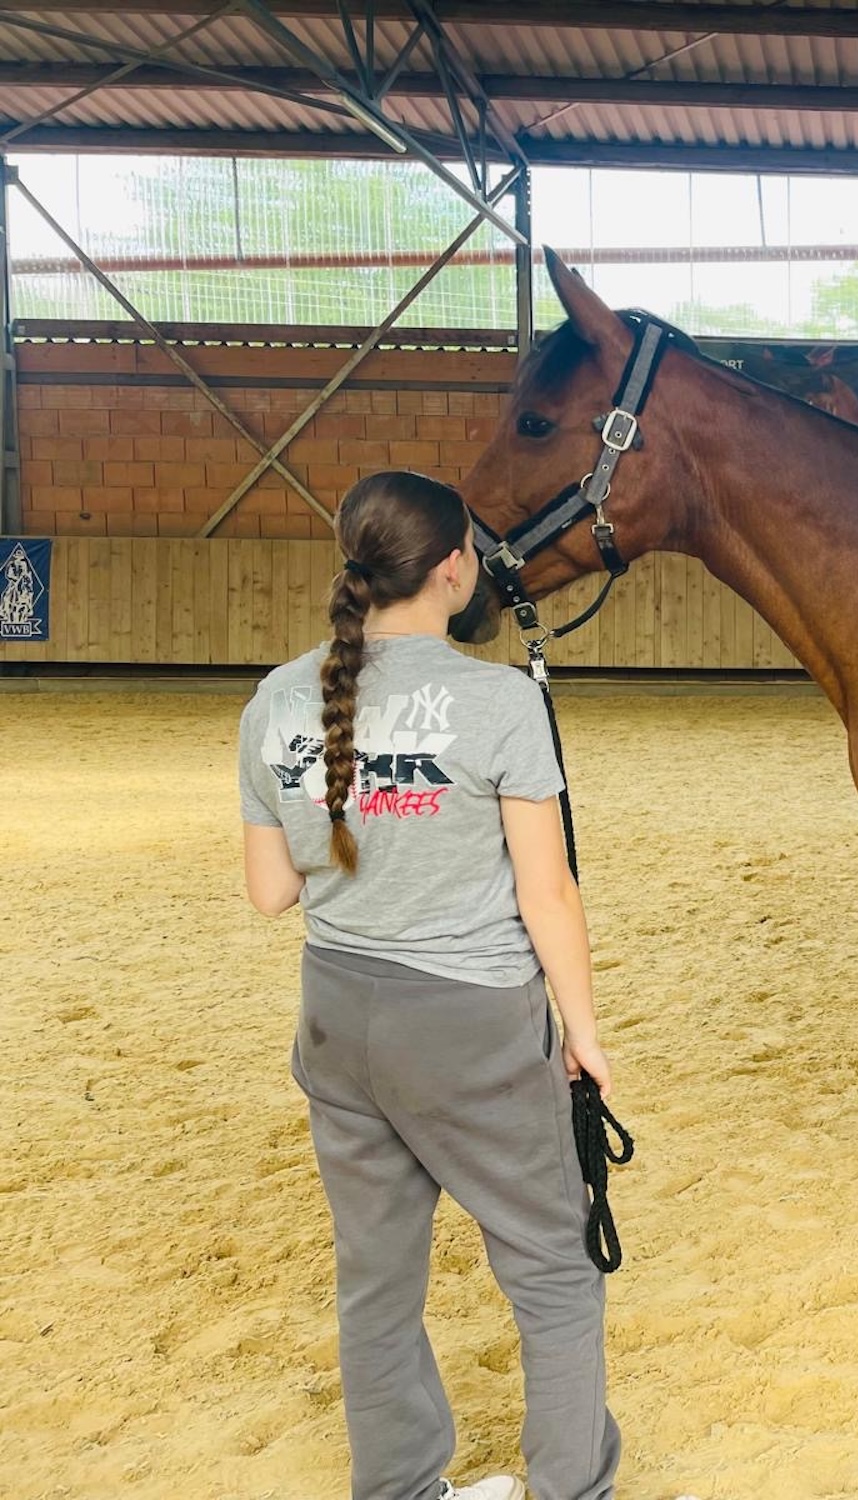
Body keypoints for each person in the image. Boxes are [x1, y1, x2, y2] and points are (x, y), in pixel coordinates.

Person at [237, 471, 620, 1500]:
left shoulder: (279, 696)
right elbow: (549, 894)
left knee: (375, 1284)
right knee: (550, 1271)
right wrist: (582, 1035)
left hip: (336, 1011)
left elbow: (271, 890)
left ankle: (401, 1488)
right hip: (472, 1024)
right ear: (454, 568)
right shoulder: (499, 701)